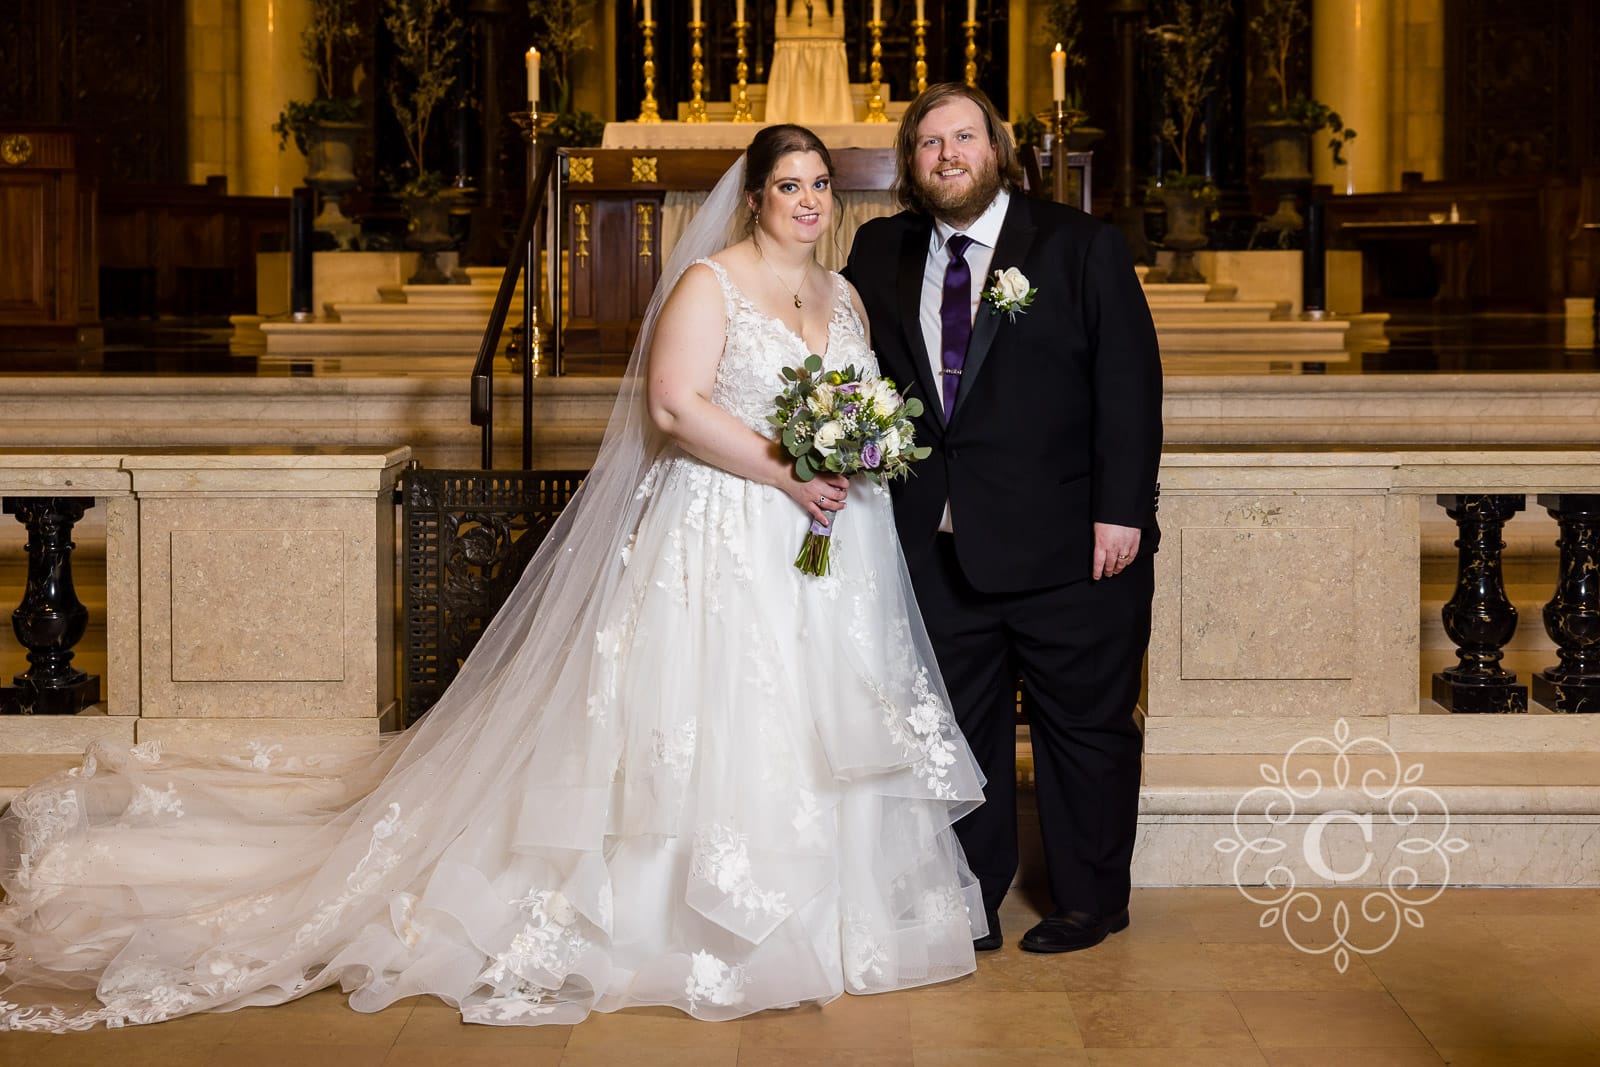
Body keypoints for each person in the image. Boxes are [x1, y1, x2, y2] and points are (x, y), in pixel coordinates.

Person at [0, 125, 986, 1032]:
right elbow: (676, 407)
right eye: (787, 185)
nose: (807, 201)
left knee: (822, 717)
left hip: (828, 544)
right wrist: (787, 468)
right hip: (725, 531)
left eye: (818, 184)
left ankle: (835, 908)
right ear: (755, 197)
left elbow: (862, 401)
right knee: (720, 712)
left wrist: (851, 456)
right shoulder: (709, 283)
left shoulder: (845, 294)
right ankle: (685, 917)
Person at [844, 84, 1162, 954]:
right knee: (954, 730)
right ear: (911, 164)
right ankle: (969, 901)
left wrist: (1121, 512)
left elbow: (1129, 386)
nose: (948, 154)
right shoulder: (878, 249)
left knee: (1084, 726)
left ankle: (1092, 900)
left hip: (1071, 541)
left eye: (964, 137)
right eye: (929, 143)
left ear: (998, 150)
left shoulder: (1078, 244)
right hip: (936, 544)